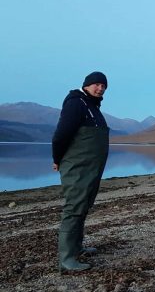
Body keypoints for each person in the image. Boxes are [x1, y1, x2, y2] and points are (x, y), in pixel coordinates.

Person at [52, 71, 110, 272]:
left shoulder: (92, 106)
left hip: (90, 168)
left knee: (83, 206)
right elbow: (61, 134)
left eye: (103, 86)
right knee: (74, 208)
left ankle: (76, 248)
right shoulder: (76, 103)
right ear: (86, 85)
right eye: (96, 84)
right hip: (77, 167)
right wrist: (56, 159)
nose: (100, 88)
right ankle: (66, 260)